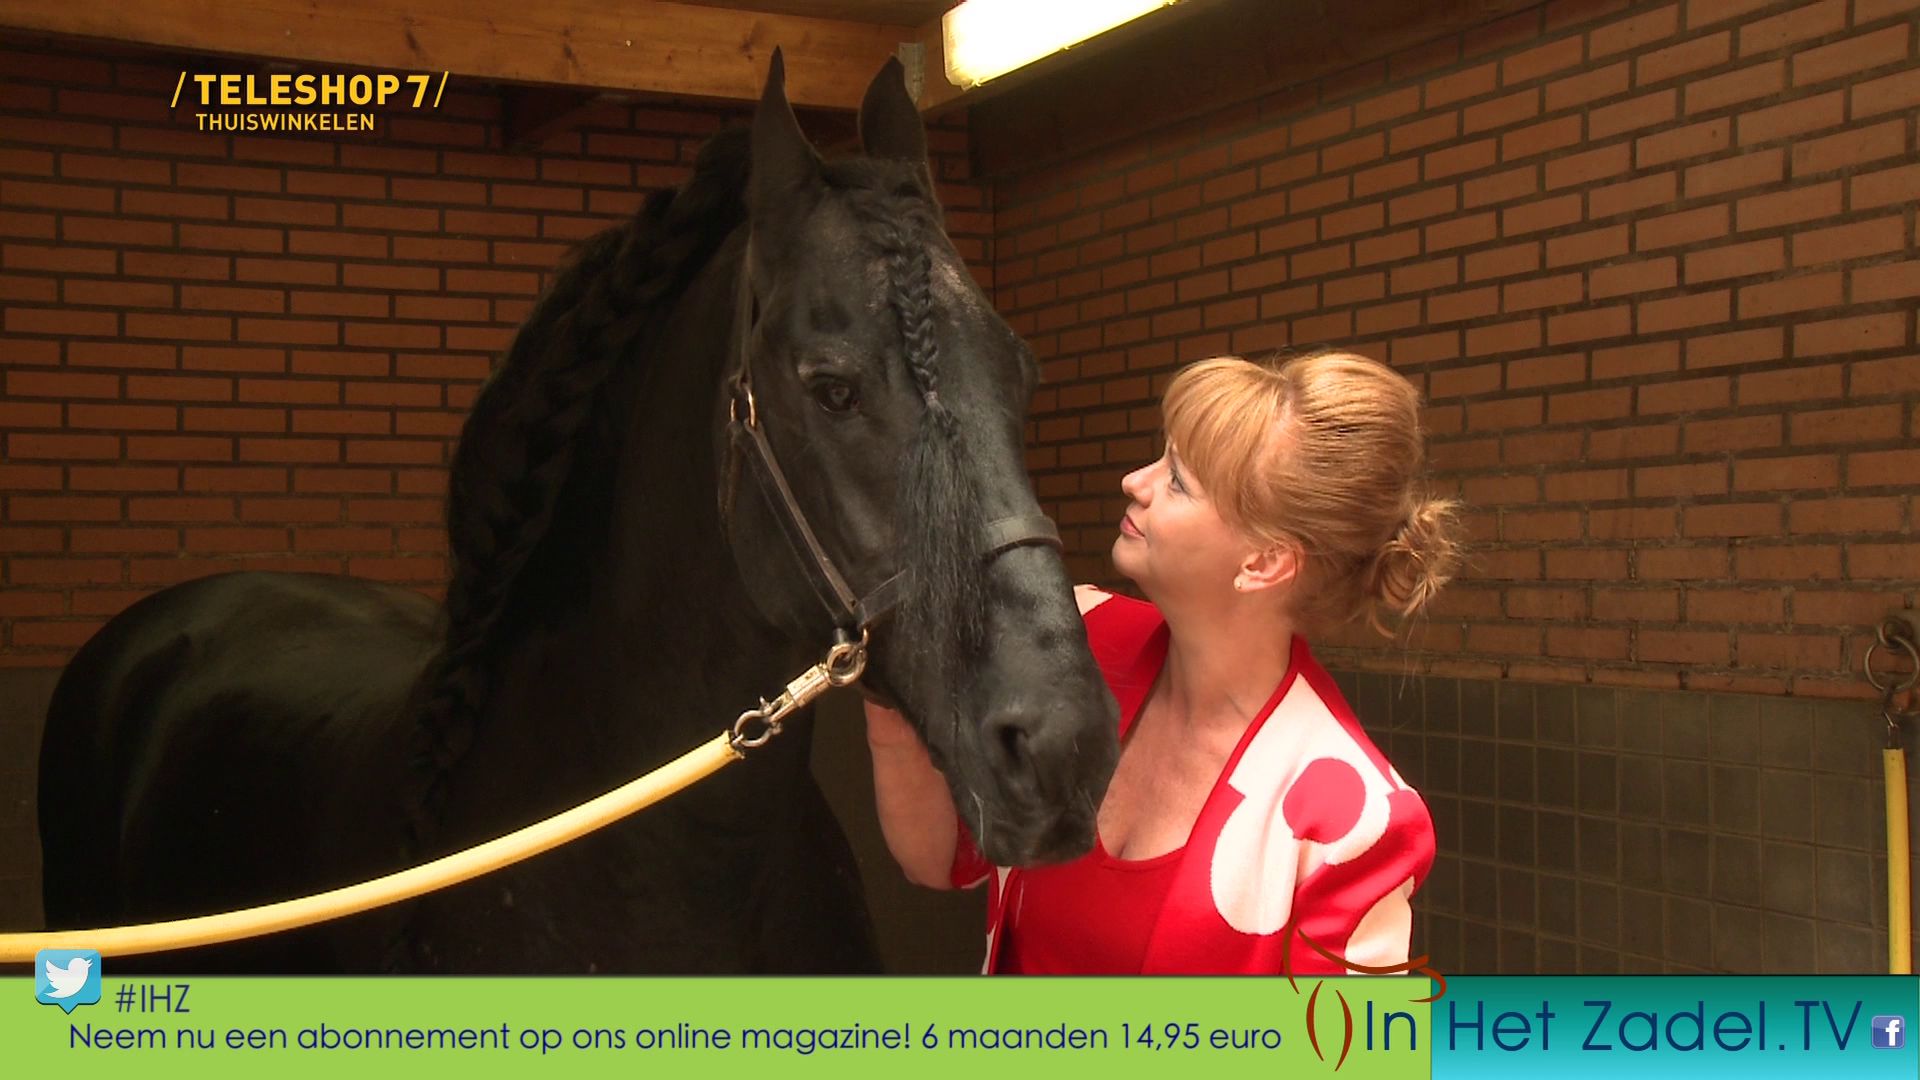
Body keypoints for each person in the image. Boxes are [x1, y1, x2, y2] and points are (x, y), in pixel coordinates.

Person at [864, 347, 1462, 975]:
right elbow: (941, 859)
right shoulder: (1069, 640)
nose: (1135, 481)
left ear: (1264, 563)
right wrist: (889, 690)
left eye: (1177, 480)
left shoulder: (1351, 820)